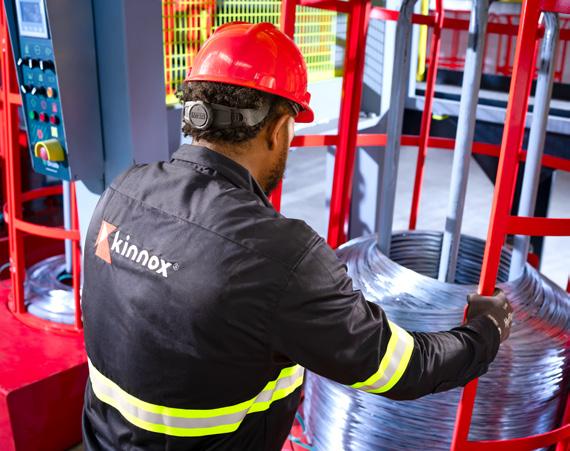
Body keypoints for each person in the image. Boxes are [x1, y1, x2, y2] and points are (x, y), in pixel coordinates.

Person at [81, 22, 513, 451]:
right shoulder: (279, 257)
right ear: (276, 129)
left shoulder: (120, 192)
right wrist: (486, 331)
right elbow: (401, 369)